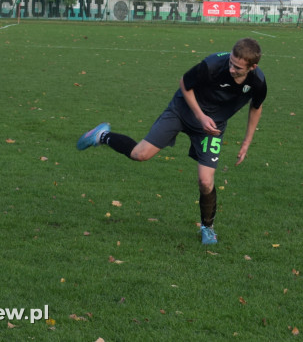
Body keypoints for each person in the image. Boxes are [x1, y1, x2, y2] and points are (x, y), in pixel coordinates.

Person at [76, 38, 266, 245]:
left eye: (237, 67)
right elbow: (185, 84)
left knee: (205, 181)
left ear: (252, 67)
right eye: (230, 62)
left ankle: (208, 227)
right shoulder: (212, 65)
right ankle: (101, 136)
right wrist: (200, 116)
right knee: (140, 154)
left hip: (212, 128)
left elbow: (256, 107)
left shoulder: (257, 82)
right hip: (182, 111)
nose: (231, 68)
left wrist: (246, 142)